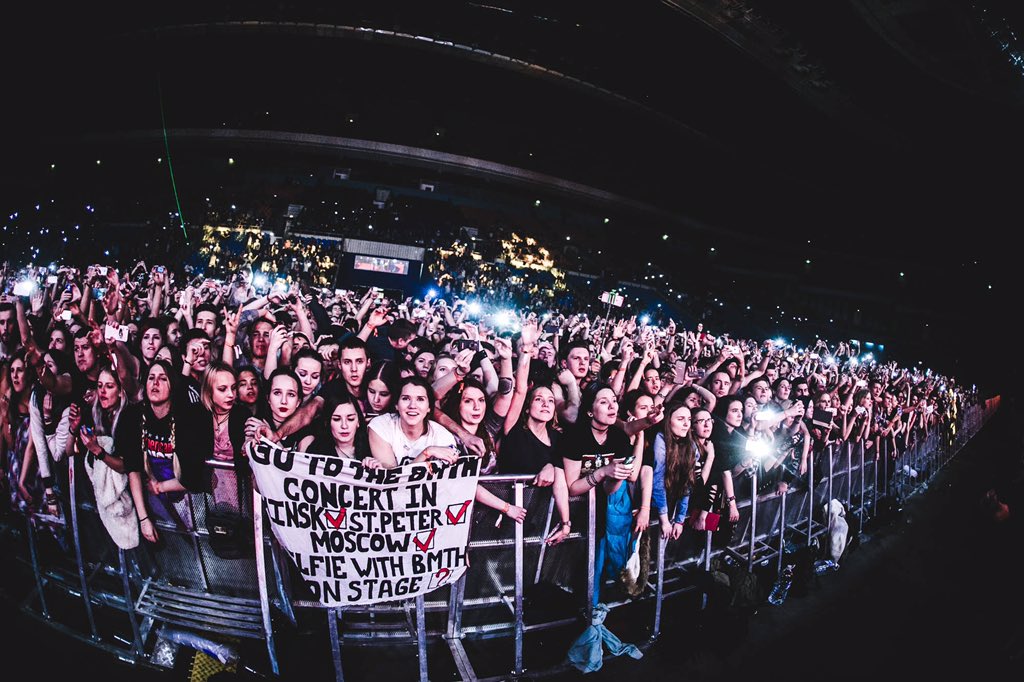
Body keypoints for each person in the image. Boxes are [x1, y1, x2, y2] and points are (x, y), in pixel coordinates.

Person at [561, 383, 650, 604]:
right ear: (590, 411)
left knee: (595, 571)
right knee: (570, 573)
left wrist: (615, 476)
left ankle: (593, 618)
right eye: (603, 402)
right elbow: (572, 486)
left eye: (613, 401)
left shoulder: (618, 438)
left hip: (599, 512)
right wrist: (602, 472)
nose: (611, 406)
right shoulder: (575, 437)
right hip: (571, 512)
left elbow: (610, 488)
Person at [121, 360, 210, 542]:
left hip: (192, 501)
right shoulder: (134, 416)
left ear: (173, 386)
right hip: (157, 504)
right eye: (151, 378)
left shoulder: (188, 418)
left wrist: (160, 486)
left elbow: (193, 477)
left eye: (163, 379)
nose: (155, 383)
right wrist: (143, 518)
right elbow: (133, 469)